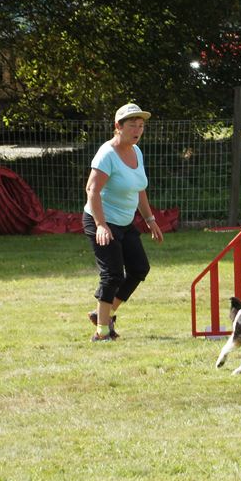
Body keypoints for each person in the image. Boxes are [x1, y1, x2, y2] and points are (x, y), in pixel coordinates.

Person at [83, 102, 164, 342]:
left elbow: (139, 189)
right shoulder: (107, 154)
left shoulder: (136, 151)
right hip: (101, 221)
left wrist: (150, 219)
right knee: (113, 274)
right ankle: (101, 332)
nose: (137, 130)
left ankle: (102, 314)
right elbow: (92, 190)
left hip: (125, 222)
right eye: (132, 125)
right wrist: (100, 224)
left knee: (139, 268)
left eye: (141, 126)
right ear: (118, 127)